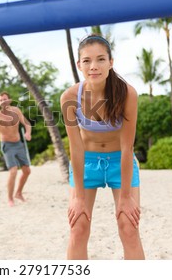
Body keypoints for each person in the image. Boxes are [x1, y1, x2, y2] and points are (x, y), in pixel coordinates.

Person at [60, 34, 145, 260]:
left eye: (100, 59)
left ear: (110, 62)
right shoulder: (69, 97)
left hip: (121, 162)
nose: (93, 66)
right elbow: (76, 148)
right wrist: (78, 197)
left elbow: (128, 147)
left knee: (129, 227)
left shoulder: (127, 94)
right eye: (87, 61)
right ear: (79, 65)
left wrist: (126, 196)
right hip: (87, 164)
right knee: (78, 228)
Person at [0, 91, 32, 207]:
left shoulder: (16, 111)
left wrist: (28, 133)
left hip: (18, 143)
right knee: (13, 171)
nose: (3, 101)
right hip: (7, 145)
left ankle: (18, 193)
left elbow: (27, 123)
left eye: (5, 99)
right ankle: (10, 199)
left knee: (27, 171)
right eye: (0, 100)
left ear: (10, 100)